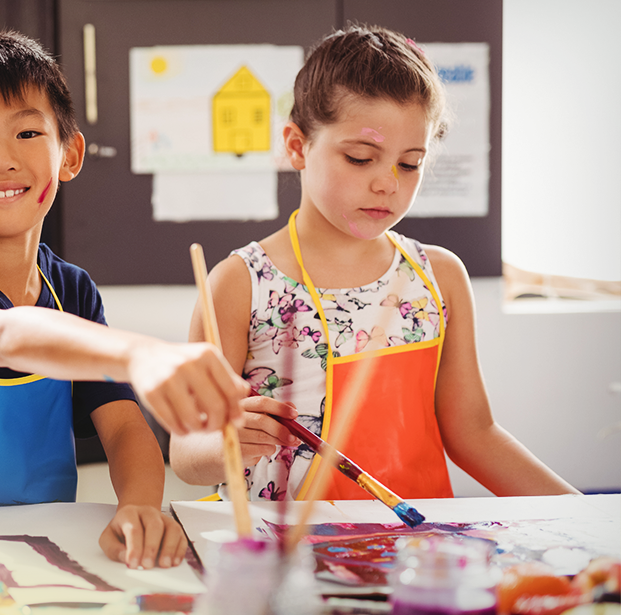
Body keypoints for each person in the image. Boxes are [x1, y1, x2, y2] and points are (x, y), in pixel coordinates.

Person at [0, 31, 248, 571]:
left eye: (27, 132)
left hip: (43, 550)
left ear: (69, 154)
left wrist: (139, 508)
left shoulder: (72, 291)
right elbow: (5, 336)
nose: (2, 160)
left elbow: (122, 425)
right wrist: (139, 354)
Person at [169, 25, 578, 503]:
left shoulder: (438, 276)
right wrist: (225, 448)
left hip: (415, 554)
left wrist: (591, 521)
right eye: (361, 158)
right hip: (284, 558)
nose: (388, 183)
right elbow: (186, 454)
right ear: (298, 146)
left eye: (409, 163)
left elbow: (474, 433)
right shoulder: (240, 284)